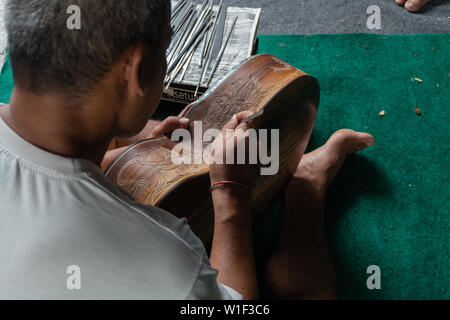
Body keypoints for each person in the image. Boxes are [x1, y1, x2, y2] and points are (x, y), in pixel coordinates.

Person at [0, 0, 374, 299]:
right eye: (167, 44)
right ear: (136, 69)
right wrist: (232, 194)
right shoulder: (168, 262)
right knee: (312, 288)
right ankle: (305, 188)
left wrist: (134, 140)